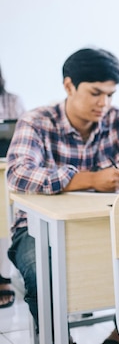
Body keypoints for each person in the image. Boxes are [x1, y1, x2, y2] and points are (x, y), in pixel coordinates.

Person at [5, 48, 119, 344]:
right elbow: (18, 173)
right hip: (37, 230)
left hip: (104, 222)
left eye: (111, 95)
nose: (104, 103)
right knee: (43, 275)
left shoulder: (117, 119)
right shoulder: (36, 121)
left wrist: (117, 172)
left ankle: (118, 337)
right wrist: (89, 179)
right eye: (95, 93)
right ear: (68, 86)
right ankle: (61, 339)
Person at [0, 62, 25, 310]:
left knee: (4, 222)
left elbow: (19, 138)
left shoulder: (13, 101)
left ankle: (3, 277)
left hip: (4, 162)